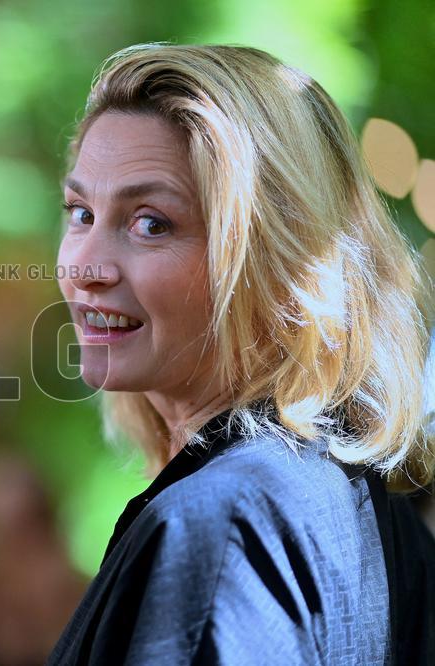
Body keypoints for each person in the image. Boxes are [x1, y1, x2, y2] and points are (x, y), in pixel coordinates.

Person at [48, 43, 435, 665]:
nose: (84, 267)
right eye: (81, 212)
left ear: (274, 256)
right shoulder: (351, 502)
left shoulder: (221, 530)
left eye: (152, 223)